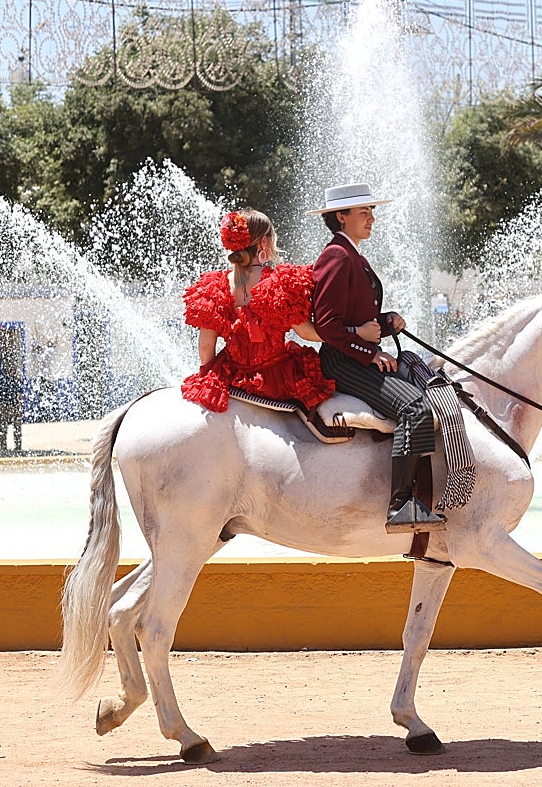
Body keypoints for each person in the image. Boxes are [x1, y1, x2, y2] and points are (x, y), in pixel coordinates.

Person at [308, 182, 445, 534]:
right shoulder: (336, 255)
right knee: (416, 409)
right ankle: (400, 505)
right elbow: (326, 325)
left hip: (353, 355)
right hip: (342, 361)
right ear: (342, 217)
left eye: (372, 211)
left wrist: (386, 322)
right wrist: (368, 351)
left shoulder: (350, 252)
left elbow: (353, 319)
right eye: (364, 212)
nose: (372, 218)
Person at [181, 209, 334, 414]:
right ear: (263, 243)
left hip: (233, 374)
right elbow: (306, 333)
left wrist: (213, 381)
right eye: (271, 238)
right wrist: (350, 335)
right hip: (277, 378)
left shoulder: (215, 286)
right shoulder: (280, 283)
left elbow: (206, 346)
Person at [0, 369, 23, 451]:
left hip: (3, 407)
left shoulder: (1, 381)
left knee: (3, 429)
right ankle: (18, 446)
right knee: (17, 428)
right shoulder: (15, 382)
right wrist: (20, 408)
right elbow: (20, 396)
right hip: (13, 407)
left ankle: (3, 447)